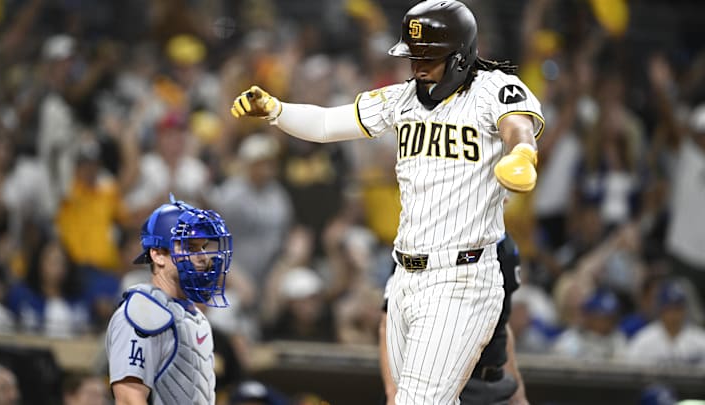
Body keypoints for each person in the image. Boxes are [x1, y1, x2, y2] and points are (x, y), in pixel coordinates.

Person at [231, 1, 543, 403]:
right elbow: (327, 124)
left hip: (462, 279)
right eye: (414, 55)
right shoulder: (402, 100)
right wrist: (277, 111)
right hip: (405, 278)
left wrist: (521, 154)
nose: (417, 65)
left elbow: (518, 126)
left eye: (428, 56)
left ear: (461, 55)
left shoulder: (492, 89)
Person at [105, 194, 234, 404]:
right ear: (157, 254)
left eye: (202, 247)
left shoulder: (194, 316)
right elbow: (129, 398)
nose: (202, 257)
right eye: (190, 248)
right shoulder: (142, 313)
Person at [381, 233, 528, 405]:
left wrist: (518, 394)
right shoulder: (423, 240)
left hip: (493, 384)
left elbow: (501, 323)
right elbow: (388, 323)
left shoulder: (504, 245)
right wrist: (393, 394)